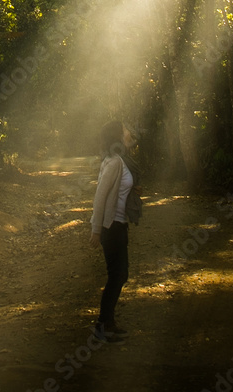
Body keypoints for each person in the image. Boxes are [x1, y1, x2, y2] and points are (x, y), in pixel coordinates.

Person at [90, 120, 142, 342]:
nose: (127, 133)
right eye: (123, 130)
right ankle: (103, 325)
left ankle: (107, 323)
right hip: (111, 226)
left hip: (119, 225)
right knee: (117, 274)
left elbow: (134, 142)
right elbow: (100, 197)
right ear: (116, 135)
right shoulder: (114, 163)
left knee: (120, 273)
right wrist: (96, 230)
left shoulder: (119, 159)